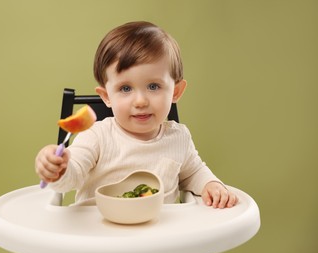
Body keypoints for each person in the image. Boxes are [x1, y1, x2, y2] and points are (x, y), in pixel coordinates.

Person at [35, 21, 238, 208]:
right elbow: (74, 174)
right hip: (98, 240)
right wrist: (59, 170)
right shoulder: (96, 136)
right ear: (107, 96)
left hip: (158, 239)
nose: (140, 101)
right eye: (125, 89)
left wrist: (211, 185)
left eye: (153, 86)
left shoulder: (179, 138)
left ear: (175, 92)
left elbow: (193, 172)